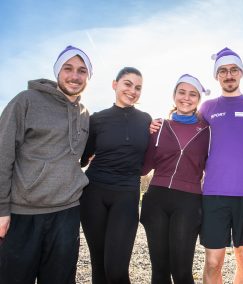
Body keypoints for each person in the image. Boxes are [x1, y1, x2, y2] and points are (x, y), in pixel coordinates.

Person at [0, 45, 92, 284]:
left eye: (82, 71)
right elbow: (3, 153)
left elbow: (79, 156)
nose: (75, 76)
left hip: (67, 213)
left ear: (88, 77)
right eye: (68, 68)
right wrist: (1, 209)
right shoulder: (26, 101)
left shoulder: (84, 114)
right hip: (23, 213)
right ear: (57, 71)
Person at [79, 67, 151, 284]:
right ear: (115, 85)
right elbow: (83, 157)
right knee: (99, 267)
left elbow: (155, 152)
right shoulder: (97, 119)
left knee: (117, 270)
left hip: (127, 193)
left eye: (138, 87)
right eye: (127, 84)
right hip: (94, 193)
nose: (132, 90)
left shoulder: (146, 120)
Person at [199, 47, 243, 284]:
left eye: (233, 70)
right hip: (214, 194)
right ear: (217, 76)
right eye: (223, 71)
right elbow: (186, 128)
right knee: (213, 262)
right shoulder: (206, 108)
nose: (228, 75)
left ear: (241, 73)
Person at [140, 74, 210, 284]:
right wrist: (140, 133)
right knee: (159, 271)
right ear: (174, 95)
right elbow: (143, 168)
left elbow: (214, 166)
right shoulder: (159, 127)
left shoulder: (208, 131)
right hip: (156, 200)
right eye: (182, 92)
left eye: (192, 94)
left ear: (198, 99)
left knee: (181, 272)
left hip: (188, 202)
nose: (186, 98)